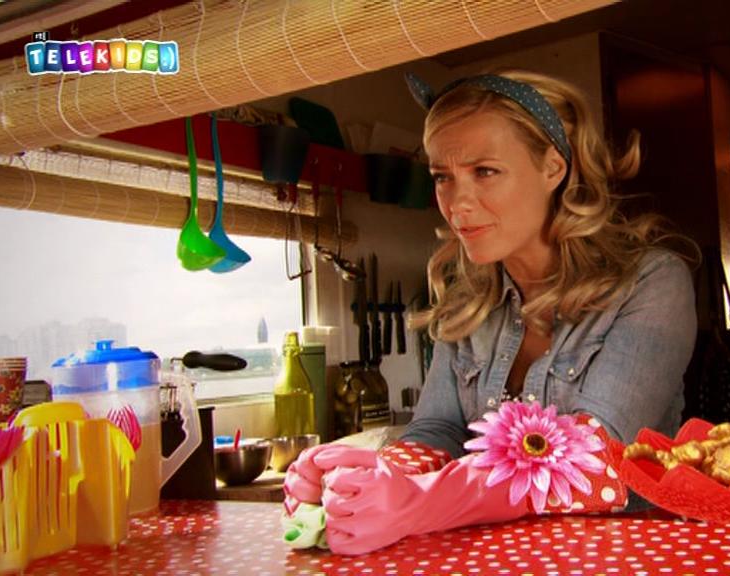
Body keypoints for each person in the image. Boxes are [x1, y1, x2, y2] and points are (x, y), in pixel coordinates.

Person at [283, 70, 698, 555]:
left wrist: (428, 499)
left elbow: (599, 457)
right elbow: (438, 430)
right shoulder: (467, 301)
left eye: (484, 171)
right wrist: (376, 474)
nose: (457, 204)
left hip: (624, 559)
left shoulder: (652, 282)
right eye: (443, 177)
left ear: (553, 167)